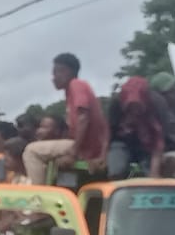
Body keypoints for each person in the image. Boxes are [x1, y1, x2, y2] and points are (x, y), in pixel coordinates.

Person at [23, 53, 110, 184]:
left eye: (56, 73)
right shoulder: (74, 91)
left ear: (66, 71)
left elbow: (83, 118)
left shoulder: (76, 85)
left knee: (31, 151)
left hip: (85, 147)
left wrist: (73, 152)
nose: (53, 78)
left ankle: (37, 196)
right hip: (87, 146)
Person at [106, 77, 165, 179]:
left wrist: (154, 171)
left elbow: (158, 141)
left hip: (147, 145)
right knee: (116, 171)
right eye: (131, 107)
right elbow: (108, 133)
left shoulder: (156, 104)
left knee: (153, 175)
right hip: (121, 143)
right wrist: (103, 155)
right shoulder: (116, 104)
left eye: (138, 106)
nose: (135, 111)